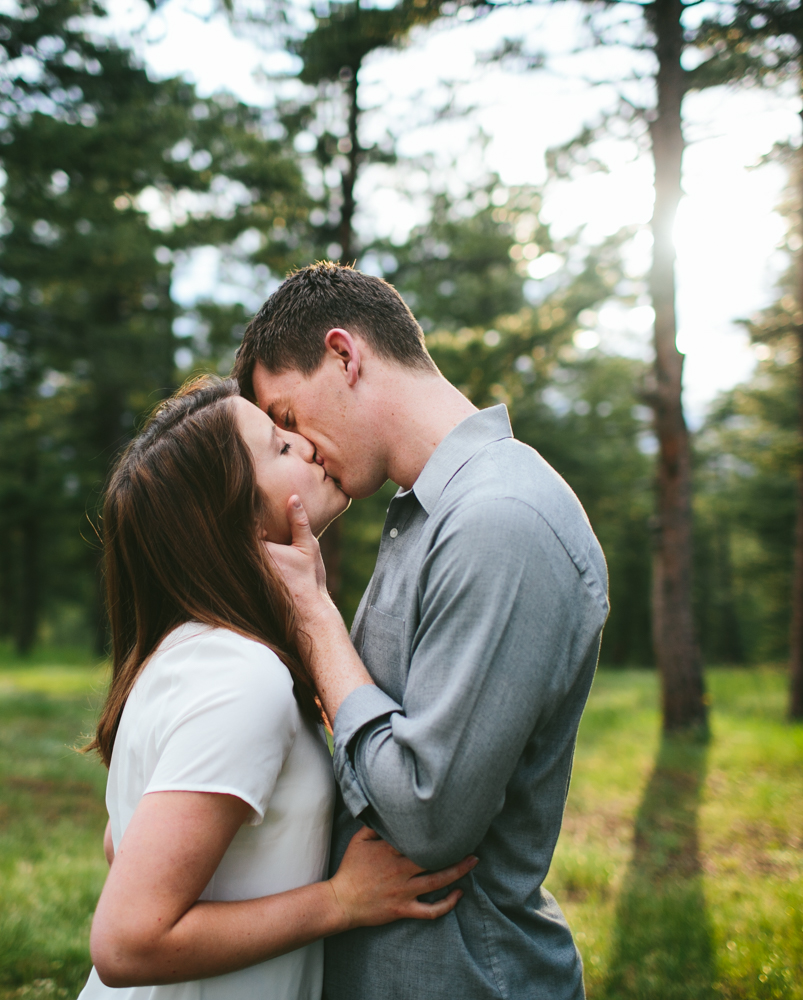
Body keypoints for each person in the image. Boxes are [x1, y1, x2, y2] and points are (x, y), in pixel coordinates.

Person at [233, 261, 609, 1000]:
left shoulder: (500, 522)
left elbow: (427, 816)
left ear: (345, 354)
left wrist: (315, 617)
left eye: (286, 416)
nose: (299, 449)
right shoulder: (430, 513)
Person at [77, 376, 478, 1000]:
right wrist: (340, 902)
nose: (308, 445)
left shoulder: (189, 652)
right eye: (280, 448)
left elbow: (121, 843)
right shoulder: (241, 677)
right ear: (230, 516)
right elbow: (126, 941)